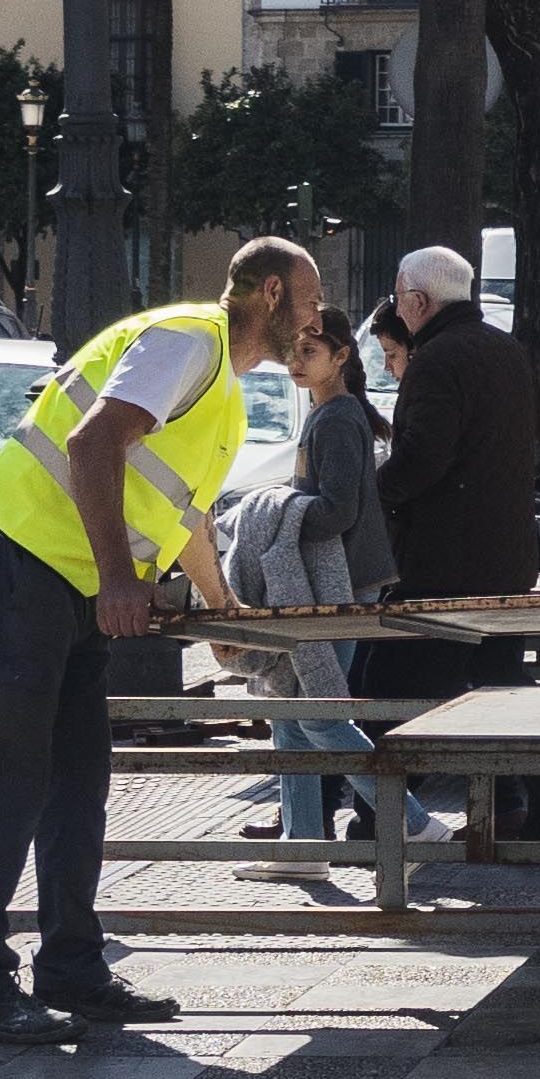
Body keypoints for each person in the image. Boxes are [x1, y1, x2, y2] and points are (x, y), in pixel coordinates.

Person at [0, 237, 319, 1042]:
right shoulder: (187, 338)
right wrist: (120, 580)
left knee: (78, 776)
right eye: (313, 302)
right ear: (275, 294)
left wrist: (223, 614)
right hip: (19, 553)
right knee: (6, 768)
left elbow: (183, 519)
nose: (318, 321)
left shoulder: (222, 395)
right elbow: (90, 442)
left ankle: (72, 967)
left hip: (66, 578)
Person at [369, 246, 540, 837]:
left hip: (443, 563)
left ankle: (380, 824)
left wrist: (371, 495)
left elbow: (421, 459)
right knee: (500, 691)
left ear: (419, 302)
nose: (396, 308)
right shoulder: (505, 350)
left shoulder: (436, 360)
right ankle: (539, 818)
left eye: (399, 297)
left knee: (387, 691)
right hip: (506, 557)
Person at [234, 304, 441, 873]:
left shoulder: (338, 418)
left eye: (311, 352)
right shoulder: (329, 414)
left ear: (341, 357)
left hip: (340, 587)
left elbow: (337, 512)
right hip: (330, 586)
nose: (297, 362)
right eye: (293, 352)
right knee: (292, 712)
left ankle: (414, 822)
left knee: (318, 713)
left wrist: (274, 508)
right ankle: (303, 847)